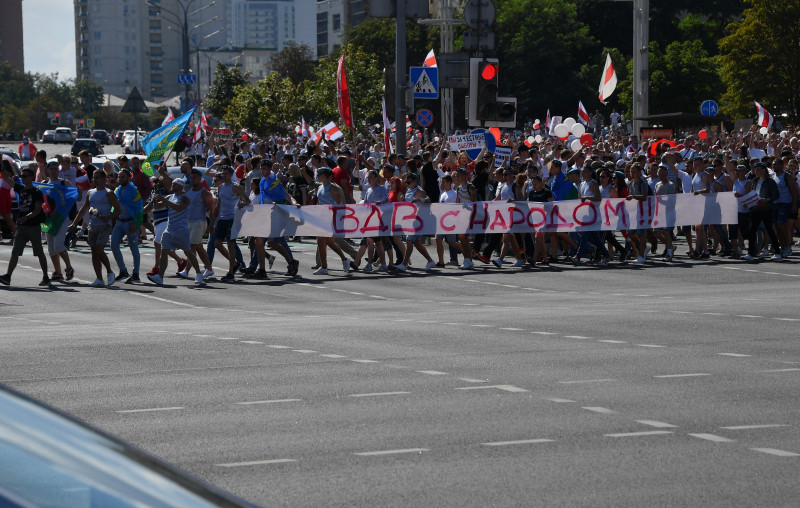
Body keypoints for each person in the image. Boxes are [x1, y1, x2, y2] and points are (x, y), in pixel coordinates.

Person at [68, 169, 120, 287]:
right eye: (93, 177)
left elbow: (118, 210)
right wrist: (74, 224)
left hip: (104, 226)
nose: (94, 179)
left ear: (103, 179)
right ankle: (99, 278)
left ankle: (110, 272)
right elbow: (83, 209)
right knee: (94, 252)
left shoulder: (109, 193)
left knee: (99, 249)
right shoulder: (90, 192)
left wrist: (108, 217)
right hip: (93, 225)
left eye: (97, 177)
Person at [147, 178, 204, 285]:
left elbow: (179, 208)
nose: (173, 185)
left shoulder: (185, 198)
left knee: (188, 252)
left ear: (181, 186)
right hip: (169, 230)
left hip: (181, 230)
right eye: (173, 184)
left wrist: (164, 200)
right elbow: (158, 207)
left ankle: (198, 273)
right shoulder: (170, 197)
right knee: (164, 252)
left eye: (175, 184)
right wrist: (155, 199)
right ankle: (160, 276)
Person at [0, 167, 50, 286]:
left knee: (39, 253)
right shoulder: (20, 189)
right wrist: (1, 166)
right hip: (21, 226)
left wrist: (27, 217)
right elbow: (6, 178)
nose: (22, 178)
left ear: (32, 177)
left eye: (25, 176)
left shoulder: (36, 192)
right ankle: (8, 276)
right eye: (21, 176)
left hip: (33, 227)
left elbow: (38, 209)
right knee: (15, 252)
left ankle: (46, 277)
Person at [311, 167, 352, 275]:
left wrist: (329, 210)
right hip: (322, 217)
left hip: (330, 217)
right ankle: (342, 260)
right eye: (318, 174)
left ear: (328, 177)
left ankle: (325, 266)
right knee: (326, 241)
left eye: (321, 174)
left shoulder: (332, 188)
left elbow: (339, 203)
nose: (319, 176)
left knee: (323, 240)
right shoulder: (320, 187)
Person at [176, 169, 215, 281]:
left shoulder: (204, 193)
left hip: (199, 222)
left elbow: (211, 209)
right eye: (191, 178)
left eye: (194, 178)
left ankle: (187, 271)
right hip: (188, 222)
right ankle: (209, 268)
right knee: (198, 247)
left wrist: (212, 224)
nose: (192, 180)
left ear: (200, 179)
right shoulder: (188, 190)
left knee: (191, 246)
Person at [214, 166, 250, 282]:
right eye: (222, 174)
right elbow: (218, 206)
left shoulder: (236, 187)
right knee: (217, 243)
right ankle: (235, 264)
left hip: (232, 218)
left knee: (230, 244)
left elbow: (247, 201)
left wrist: (242, 204)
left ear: (230, 175)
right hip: (222, 219)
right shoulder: (220, 187)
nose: (223, 176)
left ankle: (230, 272)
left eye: (226, 174)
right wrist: (213, 222)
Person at [394, 172, 436, 272]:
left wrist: (419, 200)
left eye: (409, 182)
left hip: (417, 220)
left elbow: (428, 200)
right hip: (409, 219)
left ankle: (404, 264)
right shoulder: (409, 190)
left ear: (415, 181)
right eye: (406, 182)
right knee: (417, 242)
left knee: (409, 241)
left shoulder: (419, 190)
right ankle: (430, 261)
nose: (407, 184)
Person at [41, 160, 75, 281]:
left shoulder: (64, 182)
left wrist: (79, 192)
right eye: (52, 169)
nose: (54, 171)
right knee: (51, 248)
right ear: (48, 170)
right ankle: (58, 272)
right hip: (49, 218)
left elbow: (75, 195)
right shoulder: (44, 183)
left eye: (56, 169)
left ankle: (69, 268)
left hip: (62, 217)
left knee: (58, 245)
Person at [110, 169, 143, 283]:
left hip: (131, 222)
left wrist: (135, 223)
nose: (120, 179)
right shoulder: (117, 190)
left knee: (134, 249)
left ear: (129, 178)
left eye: (123, 177)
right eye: (119, 177)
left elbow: (139, 208)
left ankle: (136, 274)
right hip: (120, 222)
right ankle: (123, 271)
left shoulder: (134, 190)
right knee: (113, 245)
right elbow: (114, 205)